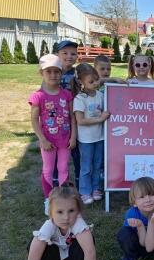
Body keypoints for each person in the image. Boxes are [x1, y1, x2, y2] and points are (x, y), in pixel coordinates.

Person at [26, 184, 96, 260]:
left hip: (73, 259)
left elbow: (90, 253)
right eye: (59, 212)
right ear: (50, 213)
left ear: (78, 211)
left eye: (71, 211)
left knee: (88, 240)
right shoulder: (48, 226)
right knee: (35, 243)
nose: (66, 217)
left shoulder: (78, 223)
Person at [29, 54, 76, 214]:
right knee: (48, 169)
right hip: (48, 141)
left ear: (61, 73)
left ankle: (63, 198)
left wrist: (73, 136)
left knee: (63, 168)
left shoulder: (66, 95)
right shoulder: (38, 96)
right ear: (41, 73)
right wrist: (42, 139)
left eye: (57, 71)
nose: (53, 75)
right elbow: (34, 119)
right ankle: (48, 200)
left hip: (65, 140)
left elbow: (72, 117)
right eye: (48, 71)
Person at [72, 63, 110, 204]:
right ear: (81, 82)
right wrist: (100, 118)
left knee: (98, 165)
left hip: (100, 137)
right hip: (86, 140)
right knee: (86, 166)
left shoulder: (101, 95)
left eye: (96, 80)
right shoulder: (80, 99)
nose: (95, 83)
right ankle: (84, 192)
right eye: (91, 81)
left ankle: (96, 189)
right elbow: (80, 121)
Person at [56, 40, 80, 188]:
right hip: (57, 121)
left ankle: (79, 184)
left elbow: (94, 80)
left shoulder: (78, 73)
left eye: (73, 53)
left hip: (74, 119)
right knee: (58, 156)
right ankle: (58, 184)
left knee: (77, 154)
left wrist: (112, 80)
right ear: (57, 55)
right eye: (65, 53)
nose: (69, 56)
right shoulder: (52, 72)